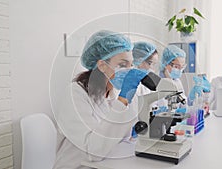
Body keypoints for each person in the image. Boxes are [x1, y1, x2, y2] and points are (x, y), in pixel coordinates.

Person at [53, 30, 149, 168]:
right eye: (122, 65)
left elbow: (122, 138)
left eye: (131, 65)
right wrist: (122, 103)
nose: (129, 71)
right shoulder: (75, 93)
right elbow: (93, 151)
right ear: (102, 66)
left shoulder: (113, 93)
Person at [159, 44, 187, 113]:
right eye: (176, 67)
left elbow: (183, 104)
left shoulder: (177, 81)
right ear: (165, 64)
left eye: (182, 67)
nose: (179, 70)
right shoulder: (157, 82)